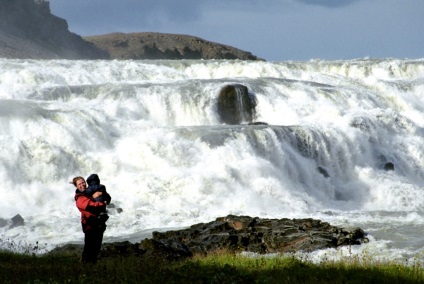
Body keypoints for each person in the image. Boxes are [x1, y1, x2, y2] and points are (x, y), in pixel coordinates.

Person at [72, 176, 111, 263]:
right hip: (89, 225)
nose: (82, 185)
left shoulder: (90, 191)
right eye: (79, 184)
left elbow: (107, 197)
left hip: (99, 223)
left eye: (83, 182)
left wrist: (102, 194)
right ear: (76, 186)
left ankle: (92, 267)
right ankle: (86, 265)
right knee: (89, 248)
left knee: (97, 247)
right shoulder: (79, 198)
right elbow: (90, 206)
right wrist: (100, 202)